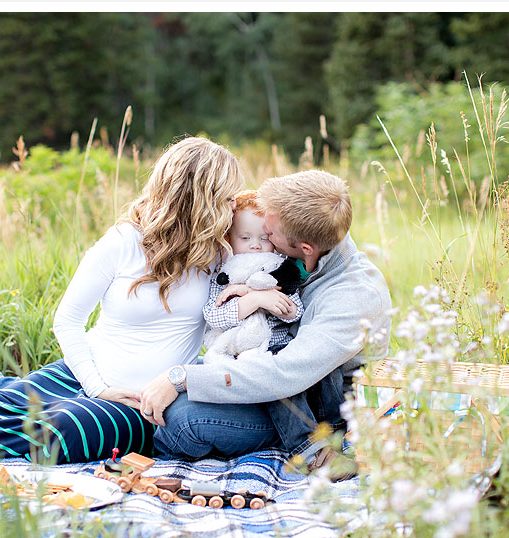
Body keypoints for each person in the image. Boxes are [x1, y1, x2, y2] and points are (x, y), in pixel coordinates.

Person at [0, 136, 244, 463]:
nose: (234, 206)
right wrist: (97, 387)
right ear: (200, 198)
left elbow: (262, 260)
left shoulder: (220, 256)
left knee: (64, 432)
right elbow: (67, 319)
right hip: (82, 374)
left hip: (139, 404)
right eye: (227, 197)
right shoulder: (124, 241)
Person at [136, 169, 392, 480]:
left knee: (182, 420)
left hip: (314, 407)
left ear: (305, 248)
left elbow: (284, 374)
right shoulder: (302, 247)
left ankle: (315, 452)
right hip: (269, 371)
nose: (261, 240)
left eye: (269, 236)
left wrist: (183, 377)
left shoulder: (354, 296)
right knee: (167, 388)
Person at [201, 190, 304, 361]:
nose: (255, 245)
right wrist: (254, 299)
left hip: (275, 351)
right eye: (245, 237)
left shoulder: (276, 269)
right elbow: (213, 317)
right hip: (233, 350)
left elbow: (296, 312)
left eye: (264, 238)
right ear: (228, 239)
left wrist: (262, 295)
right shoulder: (225, 274)